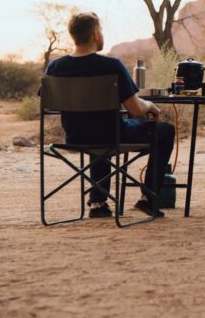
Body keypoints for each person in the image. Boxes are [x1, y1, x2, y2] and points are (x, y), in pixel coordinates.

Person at [45, 12, 175, 218]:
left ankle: (98, 203)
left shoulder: (55, 67)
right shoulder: (111, 66)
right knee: (164, 131)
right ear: (96, 34)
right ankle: (149, 199)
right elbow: (135, 109)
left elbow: (46, 105)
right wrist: (150, 105)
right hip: (110, 135)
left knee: (100, 129)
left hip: (74, 137)